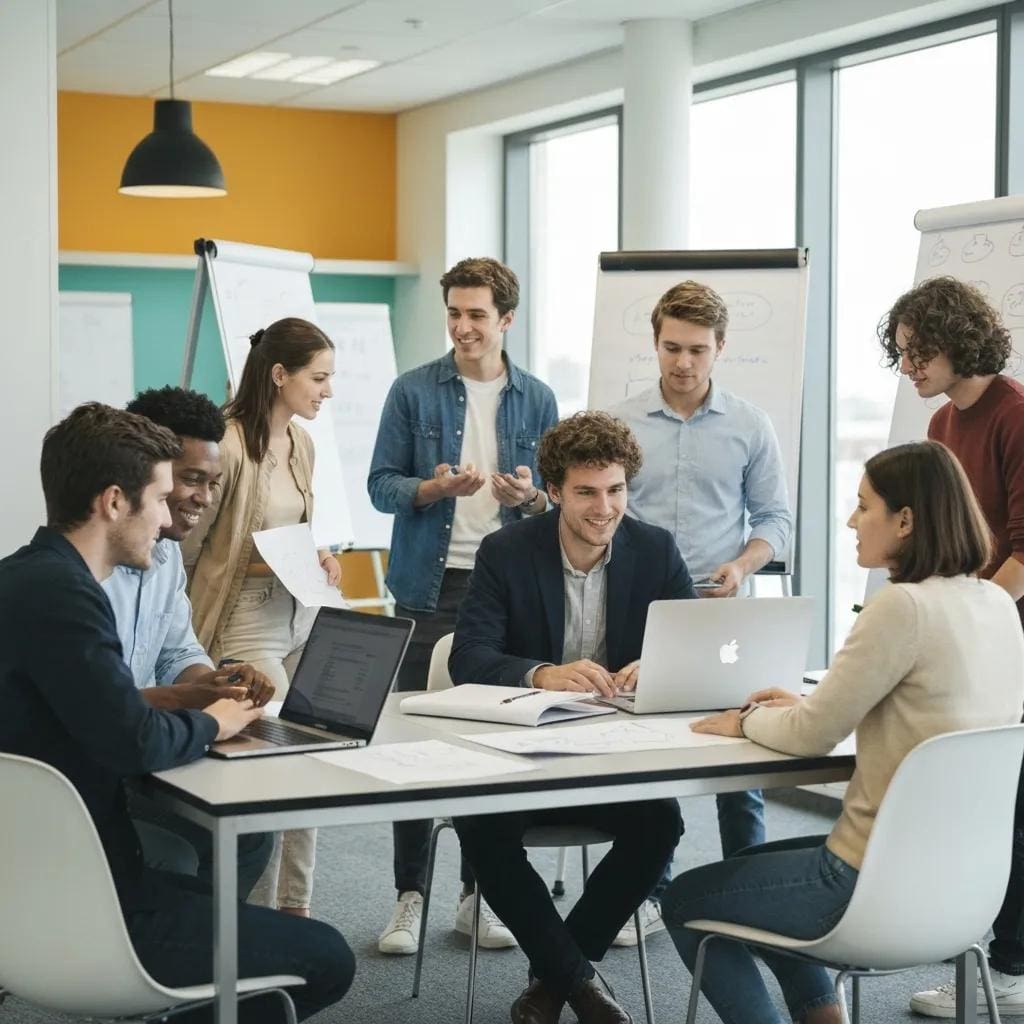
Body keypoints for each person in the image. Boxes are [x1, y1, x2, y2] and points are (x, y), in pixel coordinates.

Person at [0, 403, 354, 1022]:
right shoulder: (66, 595)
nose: (170, 516)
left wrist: (199, 695)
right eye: (162, 498)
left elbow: (121, 700)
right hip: (97, 905)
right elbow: (132, 739)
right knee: (328, 957)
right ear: (114, 502)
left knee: (234, 884)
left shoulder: (23, 577)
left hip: (32, 892)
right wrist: (221, 720)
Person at [661, 440, 1024, 1024]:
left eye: (864, 505)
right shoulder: (997, 605)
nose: (852, 520)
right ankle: (822, 1015)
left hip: (867, 884)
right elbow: (914, 705)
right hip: (965, 892)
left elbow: (811, 736)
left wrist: (748, 718)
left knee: (686, 900)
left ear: (905, 520)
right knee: (755, 869)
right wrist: (805, 704)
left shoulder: (901, 607)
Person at [449, 411, 691, 1024]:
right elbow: (468, 656)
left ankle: (555, 981)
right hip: (521, 758)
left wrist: (656, 664)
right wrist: (541, 673)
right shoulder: (506, 551)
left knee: (660, 824)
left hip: (613, 755)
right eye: (586, 492)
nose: (604, 508)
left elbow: (691, 643)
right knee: (480, 829)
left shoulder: (656, 549)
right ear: (554, 492)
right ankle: (582, 986)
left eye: (615, 490)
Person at [368, 256, 558, 954]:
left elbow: (555, 498)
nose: (463, 326)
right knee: (414, 745)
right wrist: (431, 490)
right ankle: (408, 897)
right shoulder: (413, 391)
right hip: (428, 586)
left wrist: (530, 498)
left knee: (493, 748)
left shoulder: (537, 398)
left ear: (506, 319)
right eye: (454, 312)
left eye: (477, 314)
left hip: (507, 587)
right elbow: (380, 485)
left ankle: (479, 897)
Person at [608, 280, 792, 943]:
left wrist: (743, 565)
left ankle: (748, 890)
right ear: (655, 343)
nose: (682, 363)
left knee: (740, 753)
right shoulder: (620, 422)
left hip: (721, 617)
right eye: (670, 348)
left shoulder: (750, 424)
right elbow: (602, 516)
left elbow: (776, 519)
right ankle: (645, 896)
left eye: (696, 350)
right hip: (641, 609)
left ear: (720, 348)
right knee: (645, 753)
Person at [876, 276, 1024, 1017]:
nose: (909, 368)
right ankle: (981, 953)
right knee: (966, 798)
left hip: (1012, 633)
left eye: (918, 353)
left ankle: (1014, 970)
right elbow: (945, 545)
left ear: (958, 341)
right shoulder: (940, 430)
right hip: (973, 629)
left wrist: (971, 622)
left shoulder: (1016, 415)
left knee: (1014, 804)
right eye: (901, 355)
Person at [184, 317, 340, 918]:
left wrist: (318, 552)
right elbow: (192, 548)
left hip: (301, 612)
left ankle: (294, 908)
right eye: (318, 378)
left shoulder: (302, 443)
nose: (326, 391)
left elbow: (297, 528)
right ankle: (253, 915)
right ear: (279, 375)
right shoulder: (225, 445)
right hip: (243, 619)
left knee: (317, 747)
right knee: (280, 757)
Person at [101, 386, 275, 898]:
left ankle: (203, 954)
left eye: (213, 483)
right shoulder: (85, 575)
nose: (204, 497)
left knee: (249, 835)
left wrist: (215, 684)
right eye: (192, 479)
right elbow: (102, 705)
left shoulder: (167, 556)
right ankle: (175, 948)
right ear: (145, 472)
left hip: (146, 748)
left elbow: (178, 651)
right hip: (101, 768)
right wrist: (193, 702)